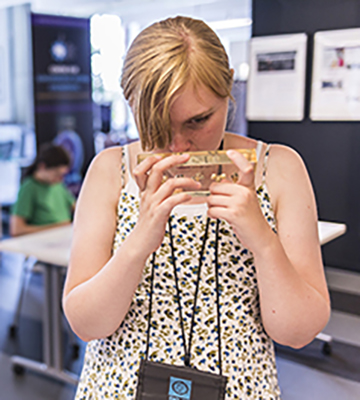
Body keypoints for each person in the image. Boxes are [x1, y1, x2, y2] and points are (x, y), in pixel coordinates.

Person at [63, 16, 330, 399]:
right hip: (118, 387)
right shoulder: (111, 171)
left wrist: (262, 242)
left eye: (198, 120)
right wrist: (138, 242)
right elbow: (86, 324)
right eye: (154, 124)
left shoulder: (278, 170)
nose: (177, 147)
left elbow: (298, 332)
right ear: (131, 104)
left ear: (229, 89)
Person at [10, 143, 75, 237]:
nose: (60, 179)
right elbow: (16, 229)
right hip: (43, 242)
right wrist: (58, 227)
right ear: (42, 167)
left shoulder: (58, 186)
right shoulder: (29, 188)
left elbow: (76, 207)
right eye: (57, 174)